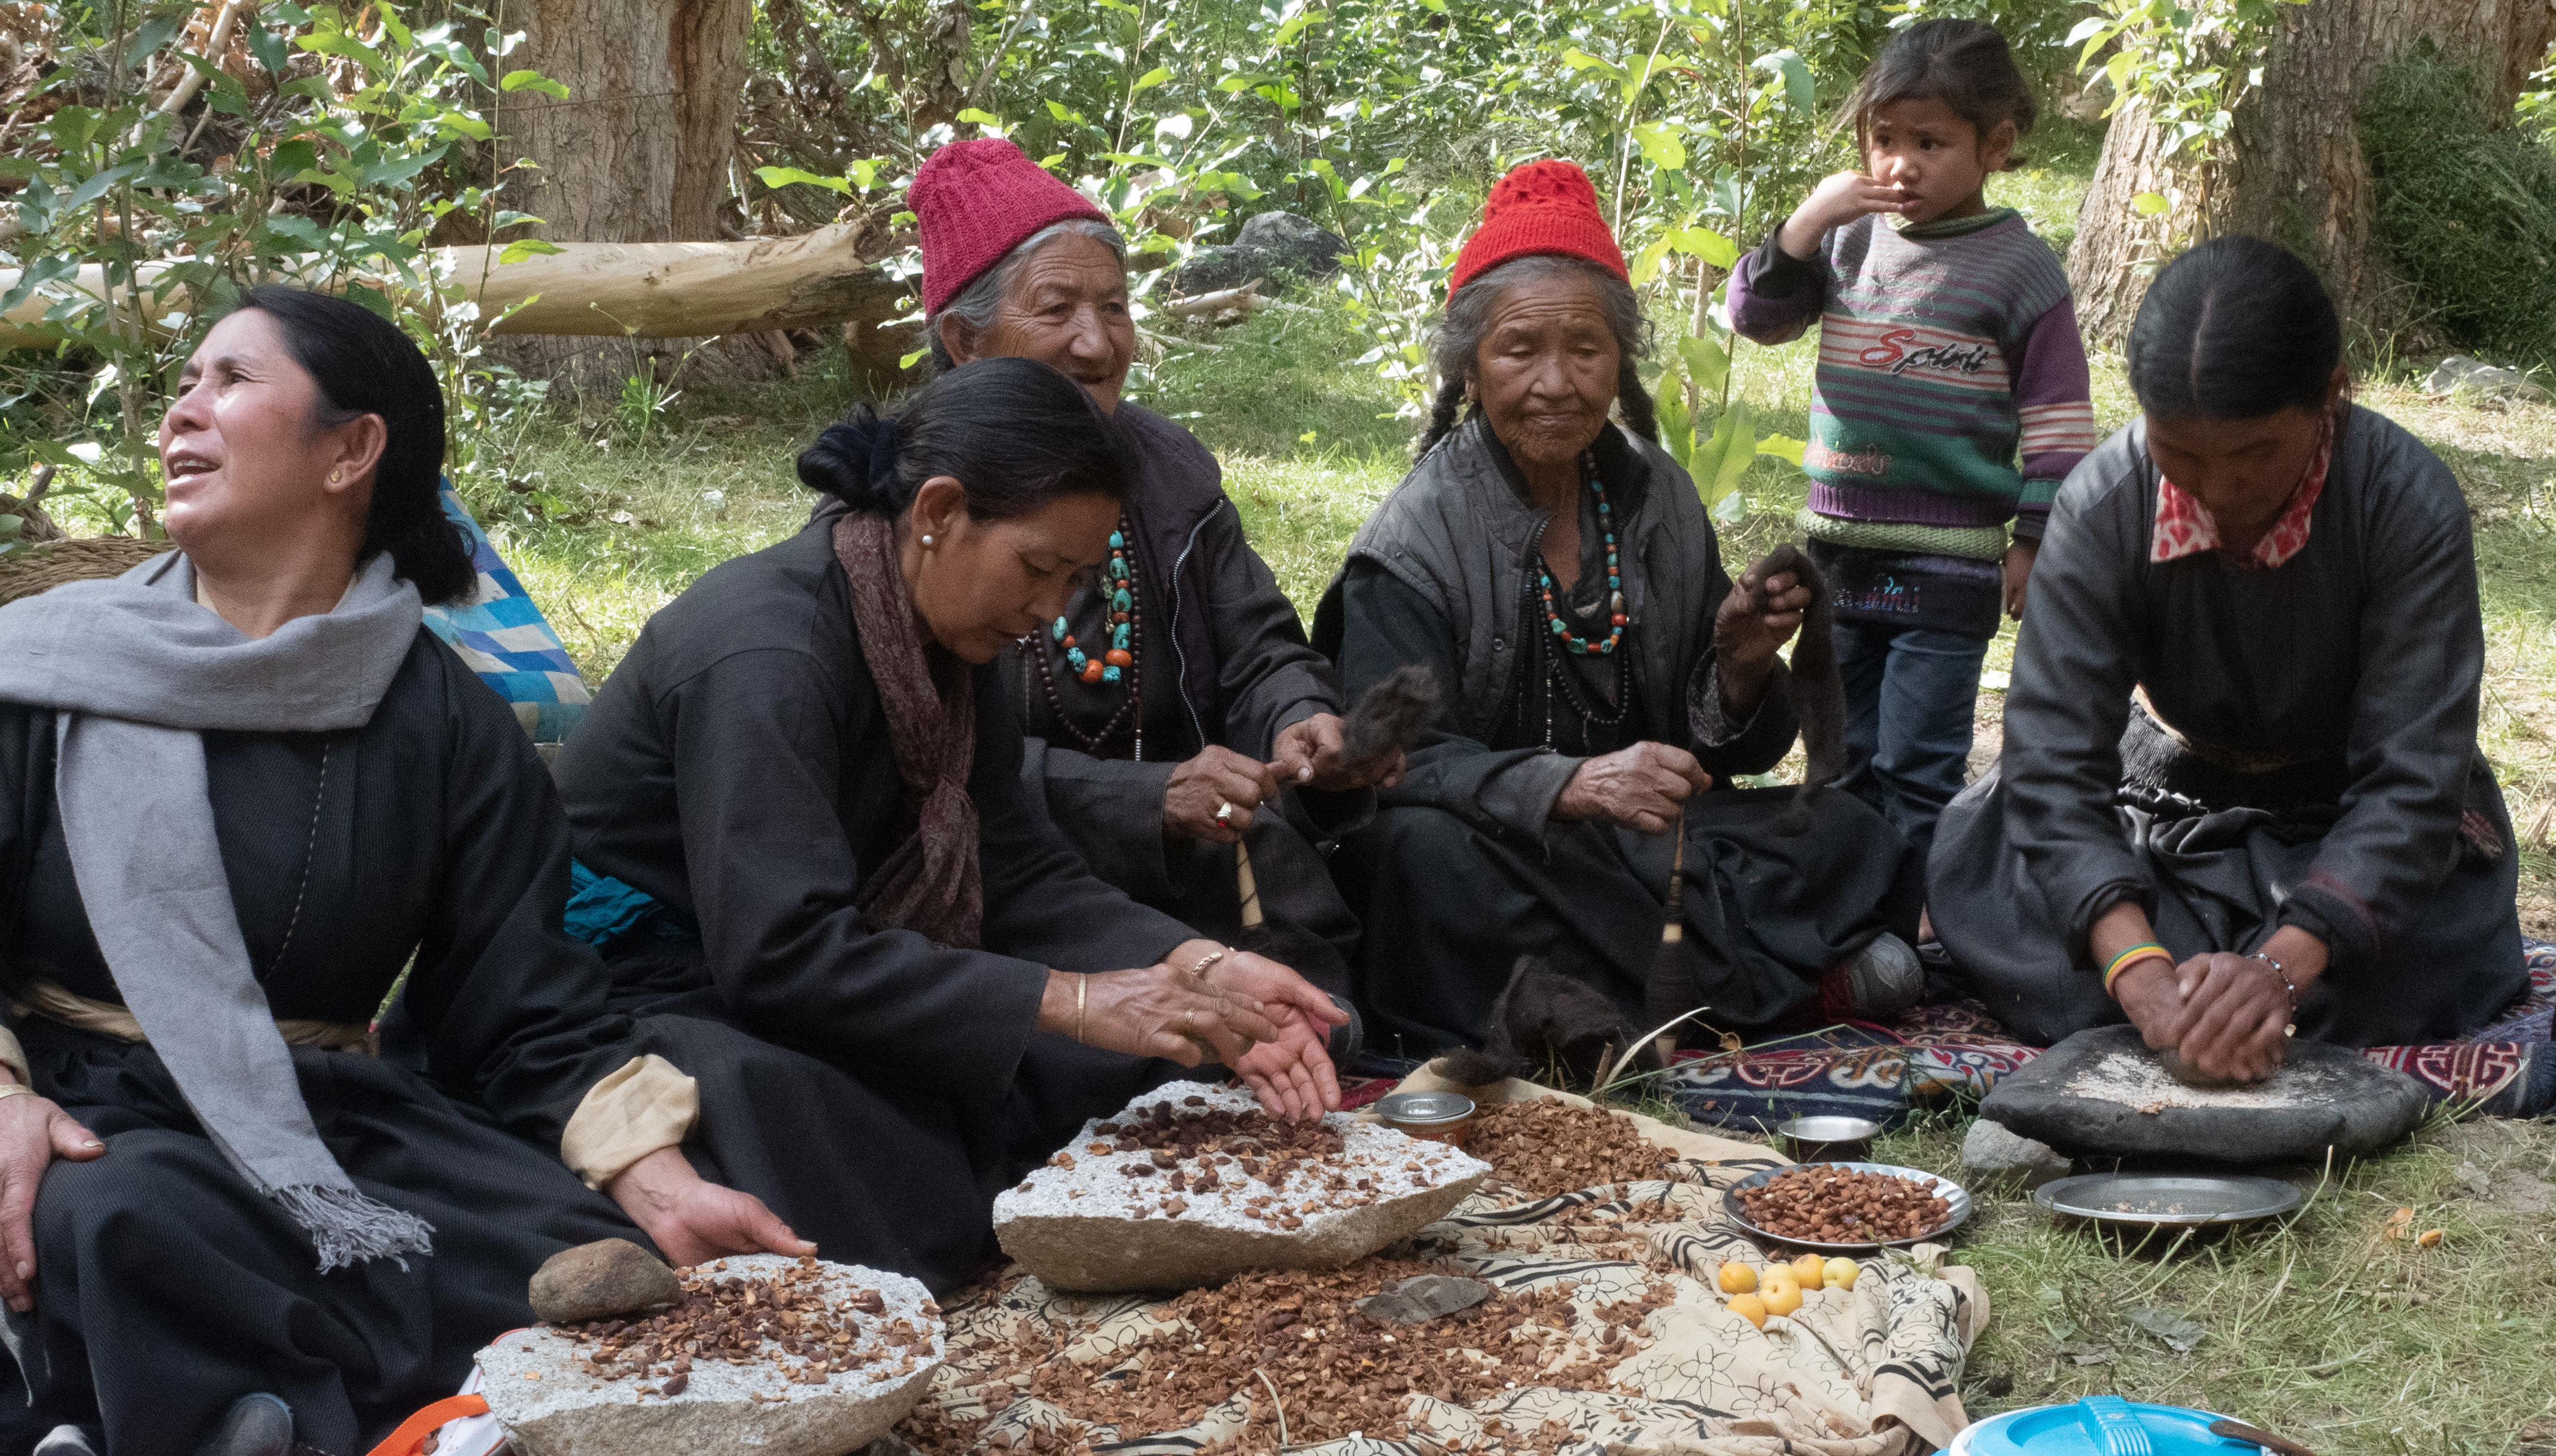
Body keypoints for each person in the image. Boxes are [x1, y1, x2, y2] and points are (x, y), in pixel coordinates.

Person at [0, 288, 792, 1456]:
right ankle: (268, 1398)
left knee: (583, 1261)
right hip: (78, 1108)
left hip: (317, 1119)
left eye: (230, 380)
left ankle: (236, 1401)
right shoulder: (41, 668)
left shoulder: (444, 721)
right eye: (185, 379)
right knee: (115, 1214)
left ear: (351, 449)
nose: (181, 408)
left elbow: (525, 1007)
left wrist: (660, 1177)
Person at [553, 357, 1350, 1296]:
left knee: (1128, 1074)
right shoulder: (767, 652)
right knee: (871, 1151)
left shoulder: (952, 640)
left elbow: (1014, 870)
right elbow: (780, 952)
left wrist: (1197, 967)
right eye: (1040, 568)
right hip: (649, 982)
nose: (1053, 611)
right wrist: (1077, 1001)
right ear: (935, 513)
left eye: (1075, 579)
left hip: (808, 962)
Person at [1315, 160, 1922, 1057]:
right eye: (1521, 349)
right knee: (1416, 863)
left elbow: (1729, 753)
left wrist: (1743, 666)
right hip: (1499, 844)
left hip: (1645, 843)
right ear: (1471, 369)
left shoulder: (1654, 499)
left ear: (1618, 361)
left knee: (1849, 831)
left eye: (1586, 349)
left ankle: (1624, 1003)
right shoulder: (1414, 542)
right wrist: (1568, 787)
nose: (1556, 382)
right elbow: (1390, 765)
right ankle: (1762, 989)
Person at [1929, 237, 2527, 1079]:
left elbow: (2412, 782)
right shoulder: (2103, 504)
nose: (2220, 491)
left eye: (2252, 455)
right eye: (2182, 454)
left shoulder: (2406, 505)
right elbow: (2054, 768)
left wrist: (2284, 967)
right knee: (2011, 880)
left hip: (2344, 812)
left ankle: (2273, 978)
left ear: (2333, 393)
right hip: (2165, 801)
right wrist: (2137, 974)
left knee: (2390, 952)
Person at [910, 138, 1393, 1055]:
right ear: (966, 342)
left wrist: (1297, 715)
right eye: (1058, 310)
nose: (1098, 343)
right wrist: (1138, 799)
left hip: (1197, 849)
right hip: (1011, 875)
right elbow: (929, 766)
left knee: (1302, 1014)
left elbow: (1259, 645)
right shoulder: (917, 510)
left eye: (1116, 307)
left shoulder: (1167, 471)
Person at [1728, 19, 2094, 860]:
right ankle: (1842, 906)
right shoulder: (1849, 240)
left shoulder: (2022, 272)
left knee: (1920, 764)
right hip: (1838, 557)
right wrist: (1804, 224)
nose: (1899, 164)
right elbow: (1757, 320)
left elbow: (2060, 426)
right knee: (1839, 753)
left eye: (1930, 142)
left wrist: (2035, 541)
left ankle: (1919, 914)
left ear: (1996, 144)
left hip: (1951, 561)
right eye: (1883, 139)